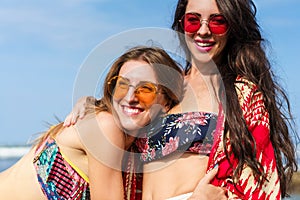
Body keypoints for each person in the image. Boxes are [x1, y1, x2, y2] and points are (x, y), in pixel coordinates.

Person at [65, 0, 298, 199]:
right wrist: (93, 106)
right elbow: (124, 121)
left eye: (217, 21)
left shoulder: (242, 93)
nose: (204, 30)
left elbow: (257, 177)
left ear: (232, 27)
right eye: (193, 20)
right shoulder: (166, 86)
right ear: (181, 24)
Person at [0, 46, 186, 199]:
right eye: (122, 84)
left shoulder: (134, 149)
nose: (130, 97)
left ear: (166, 101)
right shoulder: (105, 126)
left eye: (145, 89)